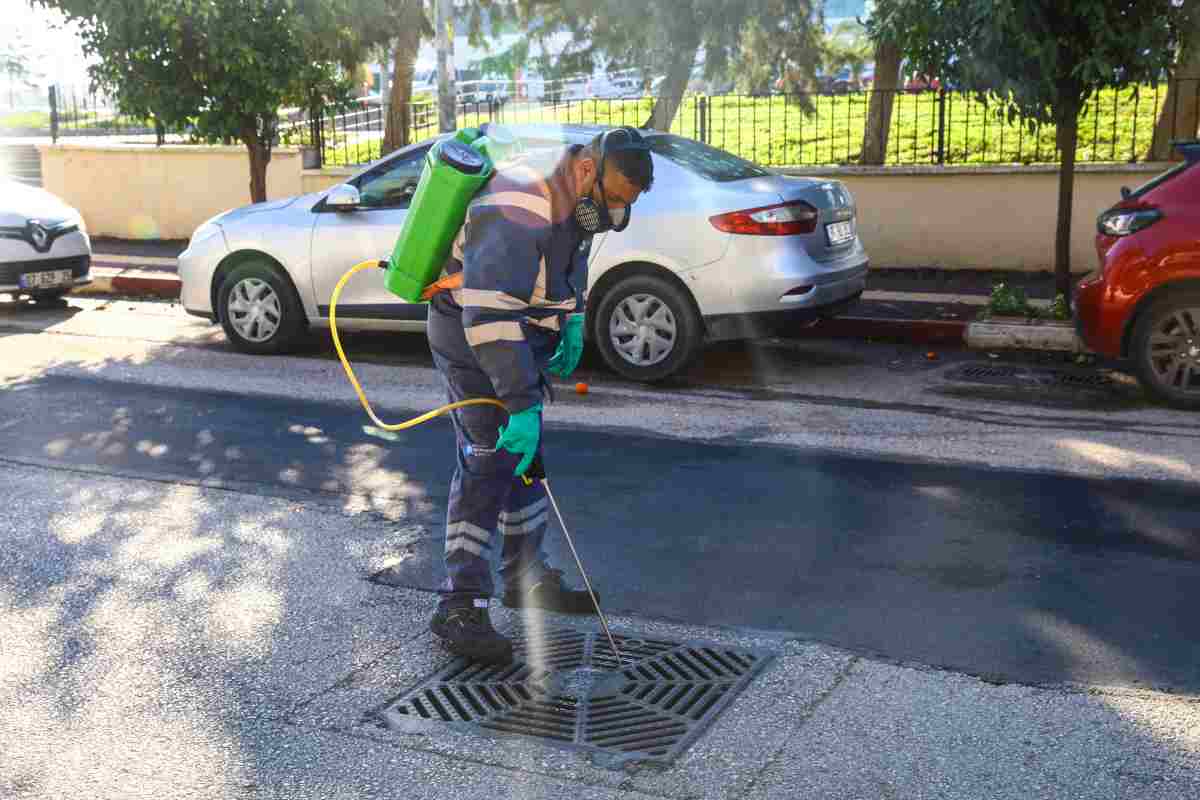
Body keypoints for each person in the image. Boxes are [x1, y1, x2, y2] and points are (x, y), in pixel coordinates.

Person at [424, 126, 655, 664]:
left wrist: (570, 321)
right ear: (586, 170)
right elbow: (488, 314)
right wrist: (522, 402)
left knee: (525, 462)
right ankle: (459, 606)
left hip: (518, 337)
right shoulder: (517, 201)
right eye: (616, 199)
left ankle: (525, 579)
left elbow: (569, 269)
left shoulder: (579, 204)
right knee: (488, 460)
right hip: (473, 338)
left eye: (629, 204)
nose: (618, 215)